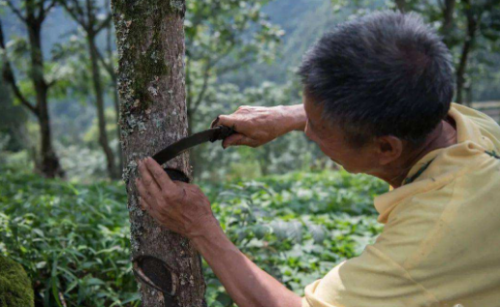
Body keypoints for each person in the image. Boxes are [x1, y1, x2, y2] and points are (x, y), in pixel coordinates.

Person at [136, 11, 500, 307]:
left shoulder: (429, 237)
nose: (308, 132)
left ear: (386, 148)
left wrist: (200, 227)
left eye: (319, 128)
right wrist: (287, 115)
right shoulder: (465, 126)